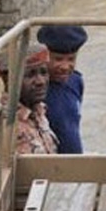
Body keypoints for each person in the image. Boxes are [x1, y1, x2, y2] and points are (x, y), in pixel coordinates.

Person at [0, 44, 58, 211]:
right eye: (29, 75)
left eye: (43, 72)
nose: (40, 81)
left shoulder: (38, 113)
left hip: (45, 204)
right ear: (7, 79)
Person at [37, 25, 87, 154]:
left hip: (74, 161)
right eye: (58, 59)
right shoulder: (35, 91)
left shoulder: (76, 81)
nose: (65, 67)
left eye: (71, 59)